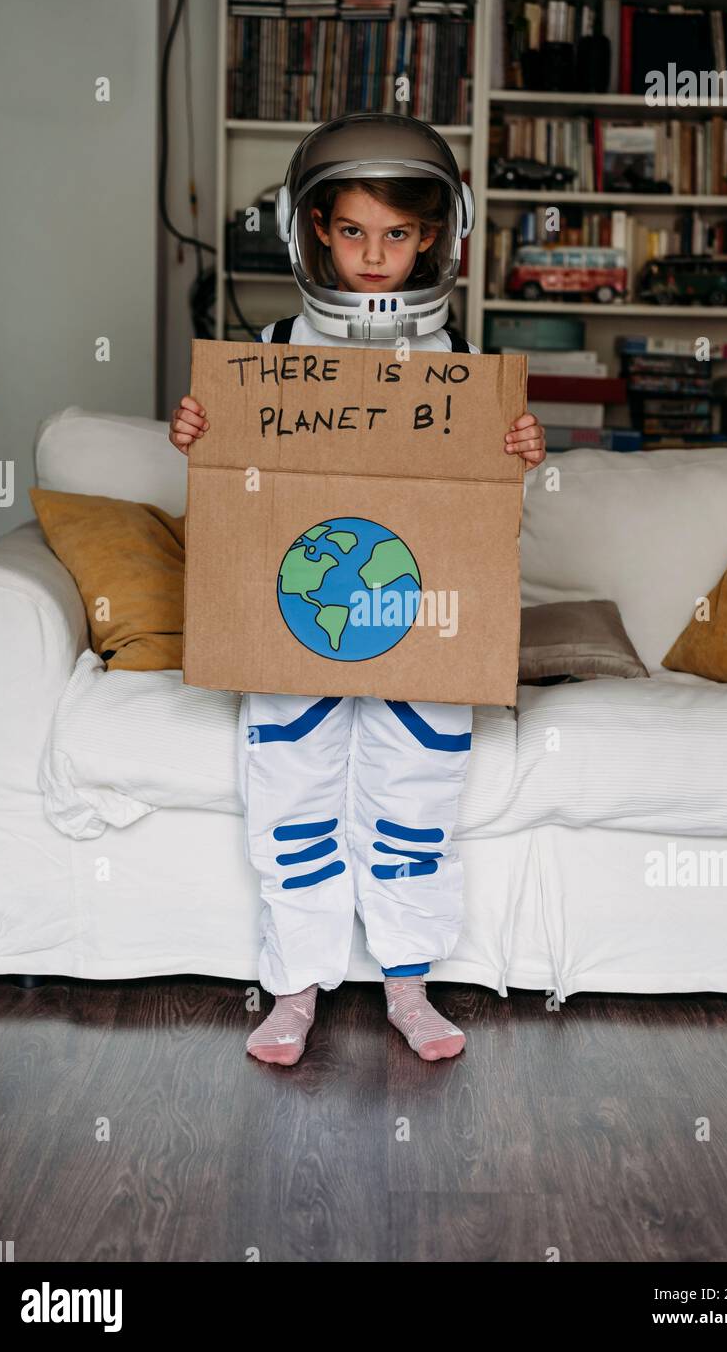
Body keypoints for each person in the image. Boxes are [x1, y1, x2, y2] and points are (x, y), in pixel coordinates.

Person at [170, 112, 545, 1066]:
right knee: (289, 793)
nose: (374, 257)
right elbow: (236, 493)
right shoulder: (270, 363)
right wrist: (202, 438)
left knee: (417, 794)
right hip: (298, 615)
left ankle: (408, 986)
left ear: (435, 237)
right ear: (313, 233)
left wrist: (518, 456)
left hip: (424, 621)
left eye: (397, 233)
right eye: (351, 231)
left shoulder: (461, 372)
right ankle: (294, 990)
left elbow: (484, 522)